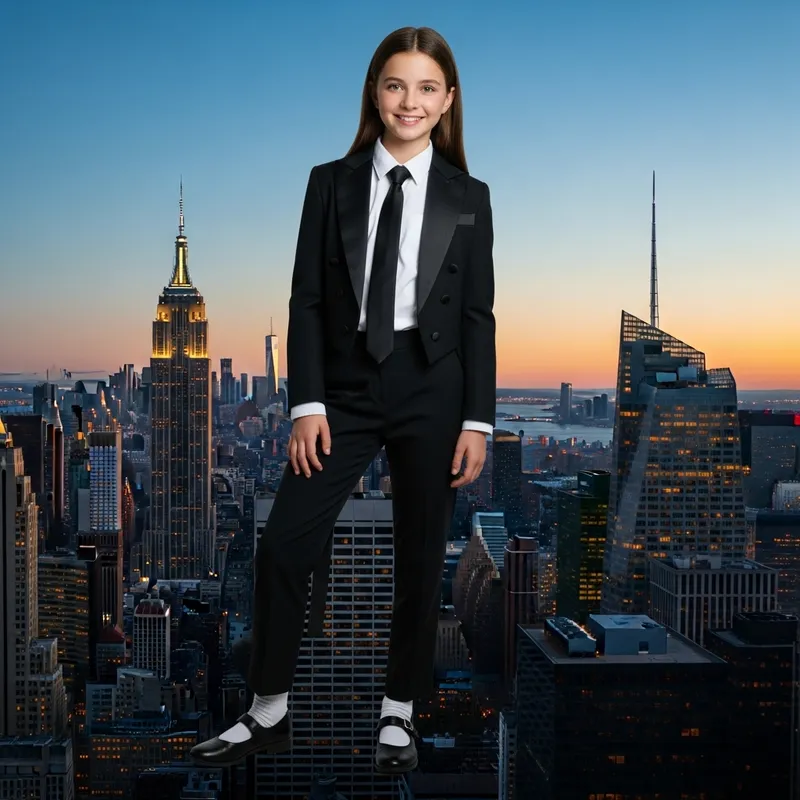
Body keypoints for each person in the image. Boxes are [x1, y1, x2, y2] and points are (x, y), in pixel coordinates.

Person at [190, 24, 496, 776]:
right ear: (374, 93)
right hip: (348, 386)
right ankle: (268, 709)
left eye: (428, 88)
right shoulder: (330, 181)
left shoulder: (470, 196)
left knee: (422, 558)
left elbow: (479, 315)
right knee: (284, 542)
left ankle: (399, 711)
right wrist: (306, 404)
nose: (410, 101)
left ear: (448, 100)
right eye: (396, 85)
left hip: (435, 385)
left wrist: (478, 419)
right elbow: (306, 302)